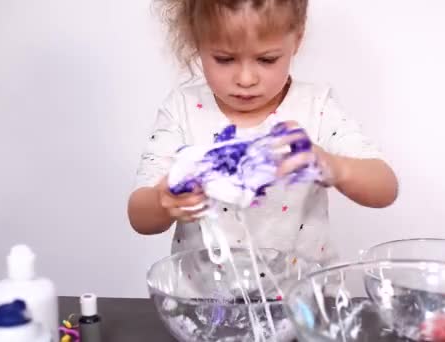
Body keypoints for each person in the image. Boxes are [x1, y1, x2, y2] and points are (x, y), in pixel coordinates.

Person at [127, 0, 398, 264]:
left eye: (267, 59)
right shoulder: (182, 109)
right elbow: (139, 217)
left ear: (297, 38)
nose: (246, 79)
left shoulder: (316, 108)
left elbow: (385, 187)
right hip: (206, 301)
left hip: (302, 297)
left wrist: (334, 167)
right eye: (224, 59)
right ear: (197, 41)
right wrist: (164, 202)